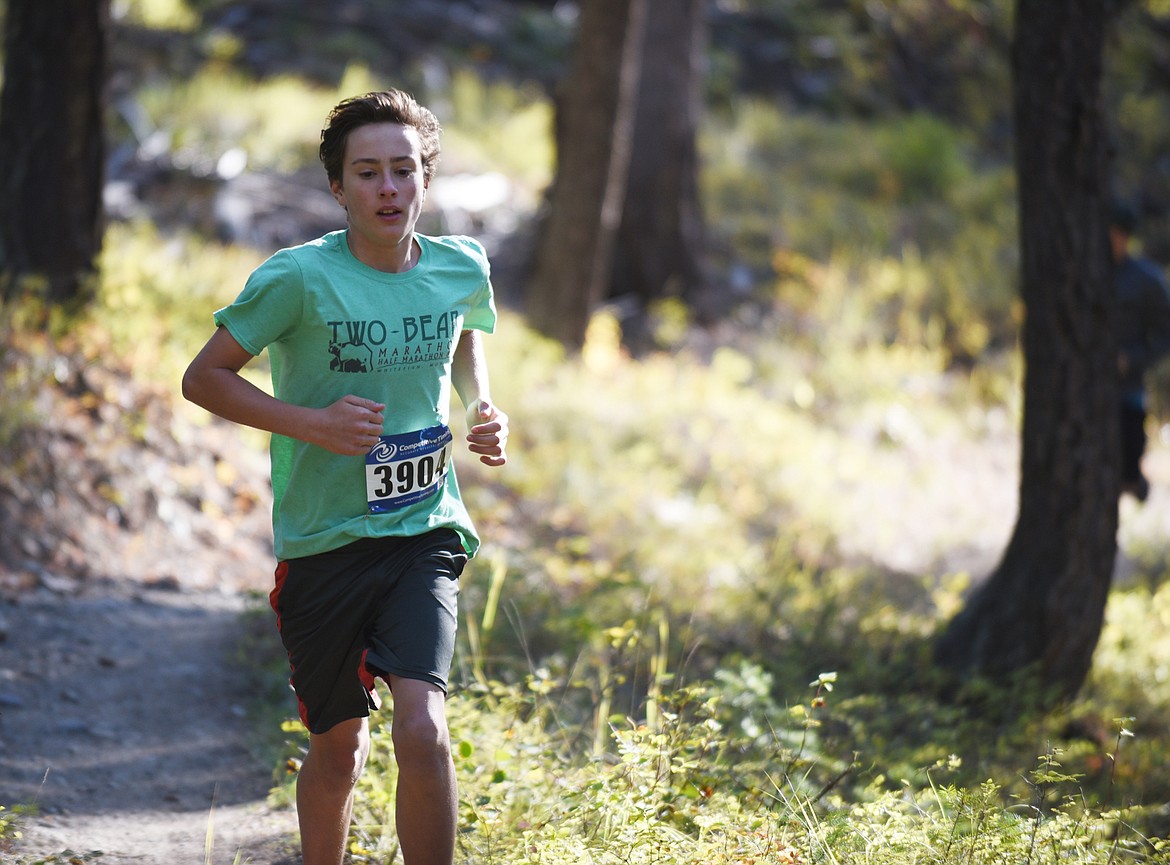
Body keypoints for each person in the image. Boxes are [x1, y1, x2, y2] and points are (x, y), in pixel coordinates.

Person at [182, 89, 509, 865]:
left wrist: (482, 403)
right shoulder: (297, 279)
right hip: (324, 539)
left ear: (425, 180)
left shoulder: (461, 266)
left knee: (423, 728)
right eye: (367, 173)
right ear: (338, 188)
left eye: (403, 170)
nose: (388, 188)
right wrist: (313, 424)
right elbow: (204, 378)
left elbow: (462, 334)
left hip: (422, 529)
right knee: (339, 753)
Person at [1110, 198, 1170, 502]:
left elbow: (1165, 334)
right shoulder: (1083, 275)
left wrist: (1131, 359)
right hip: (1087, 392)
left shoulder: (1145, 280)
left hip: (1128, 390)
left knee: (1128, 466)